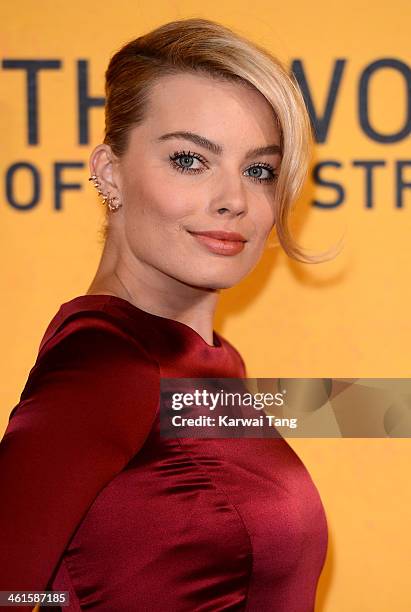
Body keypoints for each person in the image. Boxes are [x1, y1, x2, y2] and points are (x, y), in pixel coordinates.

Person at [0, 17, 340, 612]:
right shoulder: (104, 368)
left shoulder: (206, 360)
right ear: (110, 172)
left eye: (258, 169)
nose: (234, 198)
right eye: (190, 160)